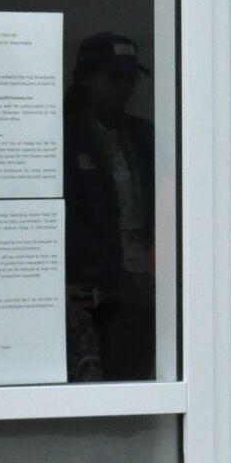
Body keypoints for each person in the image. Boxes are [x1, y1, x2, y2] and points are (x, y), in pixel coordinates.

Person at [62, 31, 157, 381]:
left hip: (144, 276)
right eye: (115, 77)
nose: (125, 86)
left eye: (131, 78)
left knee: (136, 373)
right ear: (87, 78)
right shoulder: (63, 136)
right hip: (87, 286)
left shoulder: (144, 134)